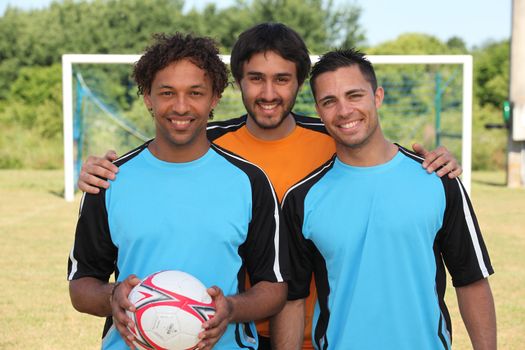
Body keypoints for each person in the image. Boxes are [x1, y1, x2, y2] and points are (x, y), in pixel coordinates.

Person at [76, 23, 463, 350]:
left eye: (282, 79)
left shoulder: (332, 135)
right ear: (237, 85)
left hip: (318, 332)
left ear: (299, 84)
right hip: (241, 332)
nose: (268, 93)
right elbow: (167, 149)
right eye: (256, 79)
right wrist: (98, 171)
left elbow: (378, 155)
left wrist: (436, 162)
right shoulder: (202, 144)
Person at [67, 32, 290, 350]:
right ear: (148, 97)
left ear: (214, 98)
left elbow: (274, 287)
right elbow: (81, 286)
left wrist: (232, 308)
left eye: (195, 93)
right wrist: (112, 296)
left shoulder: (249, 181)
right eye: (167, 93)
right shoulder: (110, 180)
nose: (181, 106)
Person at [279, 48, 496, 349]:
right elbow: (293, 300)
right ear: (318, 110)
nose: (344, 111)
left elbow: (471, 280)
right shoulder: (301, 199)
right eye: (329, 101)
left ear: (377, 96)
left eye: (354, 95)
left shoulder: (437, 179)